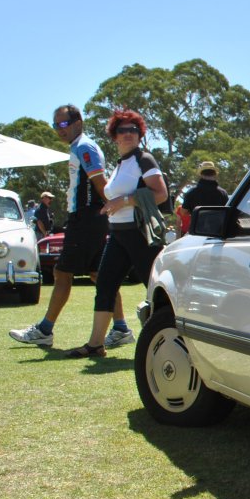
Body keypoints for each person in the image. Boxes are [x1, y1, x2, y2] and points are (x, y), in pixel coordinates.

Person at [9, 105, 134, 349]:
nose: (59, 130)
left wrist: (113, 206)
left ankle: (45, 330)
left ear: (78, 123)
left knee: (62, 273)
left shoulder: (84, 147)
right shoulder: (80, 147)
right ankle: (120, 328)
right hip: (91, 219)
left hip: (86, 219)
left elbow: (100, 182)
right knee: (100, 276)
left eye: (63, 124)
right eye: (55, 126)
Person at [66, 110, 169, 358]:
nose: (127, 134)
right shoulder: (121, 164)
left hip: (140, 234)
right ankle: (95, 345)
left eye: (133, 130)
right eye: (122, 130)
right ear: (114, 135)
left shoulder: (144, 159)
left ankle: (169, 340)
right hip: (118, 234)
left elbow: (161, 193)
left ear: (139, 134)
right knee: (105, 285)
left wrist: (124, 200)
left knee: (156, 288)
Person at [175, 159, 228, 234]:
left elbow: (183, 212)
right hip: (218, 232)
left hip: (197, 232)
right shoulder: (223, 193)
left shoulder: (191, 192)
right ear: (215, 174)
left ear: (201, 174)